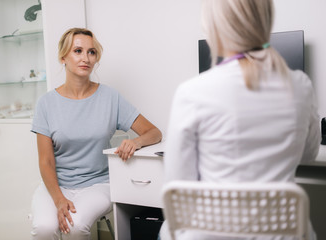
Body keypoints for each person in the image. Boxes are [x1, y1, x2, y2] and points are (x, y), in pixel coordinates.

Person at [160, 0, 320, 239]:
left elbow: (178, 185)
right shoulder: (301, 85)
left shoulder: (192, 92)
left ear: (214, 26)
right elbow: (308, 155)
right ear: (265, 20)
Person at [31, 27, 162, 240]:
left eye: (91, 52)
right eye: (78, 51)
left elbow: (154, 132)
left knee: (76, 225)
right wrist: (58, 199)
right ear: (63, 56)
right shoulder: (46, 104)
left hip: (98, 183)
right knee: (44, 227)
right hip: (58, 184)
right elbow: (45, 161)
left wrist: (136, 142)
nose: (86, 58)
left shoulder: (110, 97)